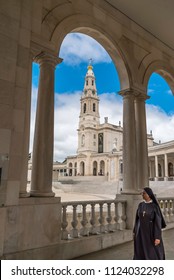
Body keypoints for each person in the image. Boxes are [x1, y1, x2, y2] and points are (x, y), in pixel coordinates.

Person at [133, 187, 166, 260]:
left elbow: (158, 222)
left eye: (144, 193)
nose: (142, 194)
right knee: (140, 249)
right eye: (142, 193)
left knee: (151, 250)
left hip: (150, 232)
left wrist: (157, 237)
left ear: (149, 195)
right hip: (140, 232)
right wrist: (135, 231)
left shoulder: (154, 207)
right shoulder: (140, 205)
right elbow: (137, 219)